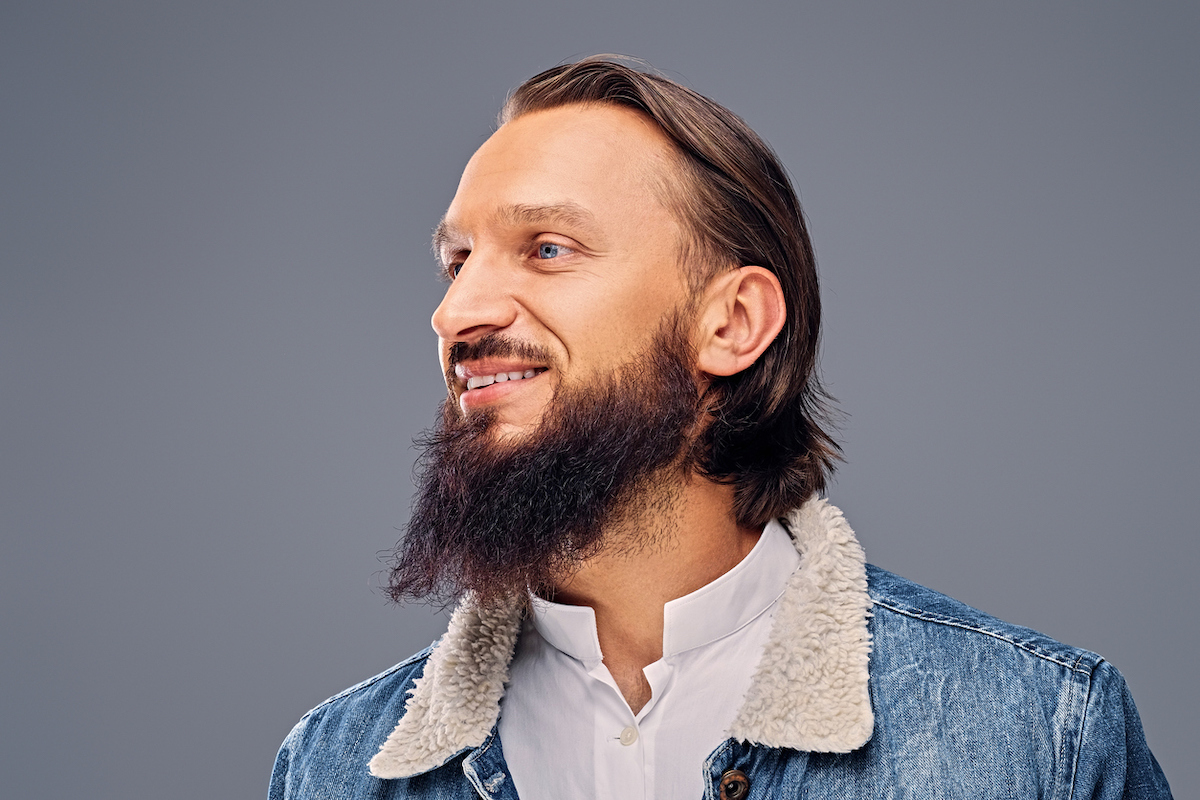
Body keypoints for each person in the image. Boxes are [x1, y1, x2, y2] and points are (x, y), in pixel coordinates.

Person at [269, 57, 1171, 800]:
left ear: (732, 324)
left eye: (547, 248)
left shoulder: (1039, 738)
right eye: (456, 261)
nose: (455, 312)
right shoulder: (334, 770)